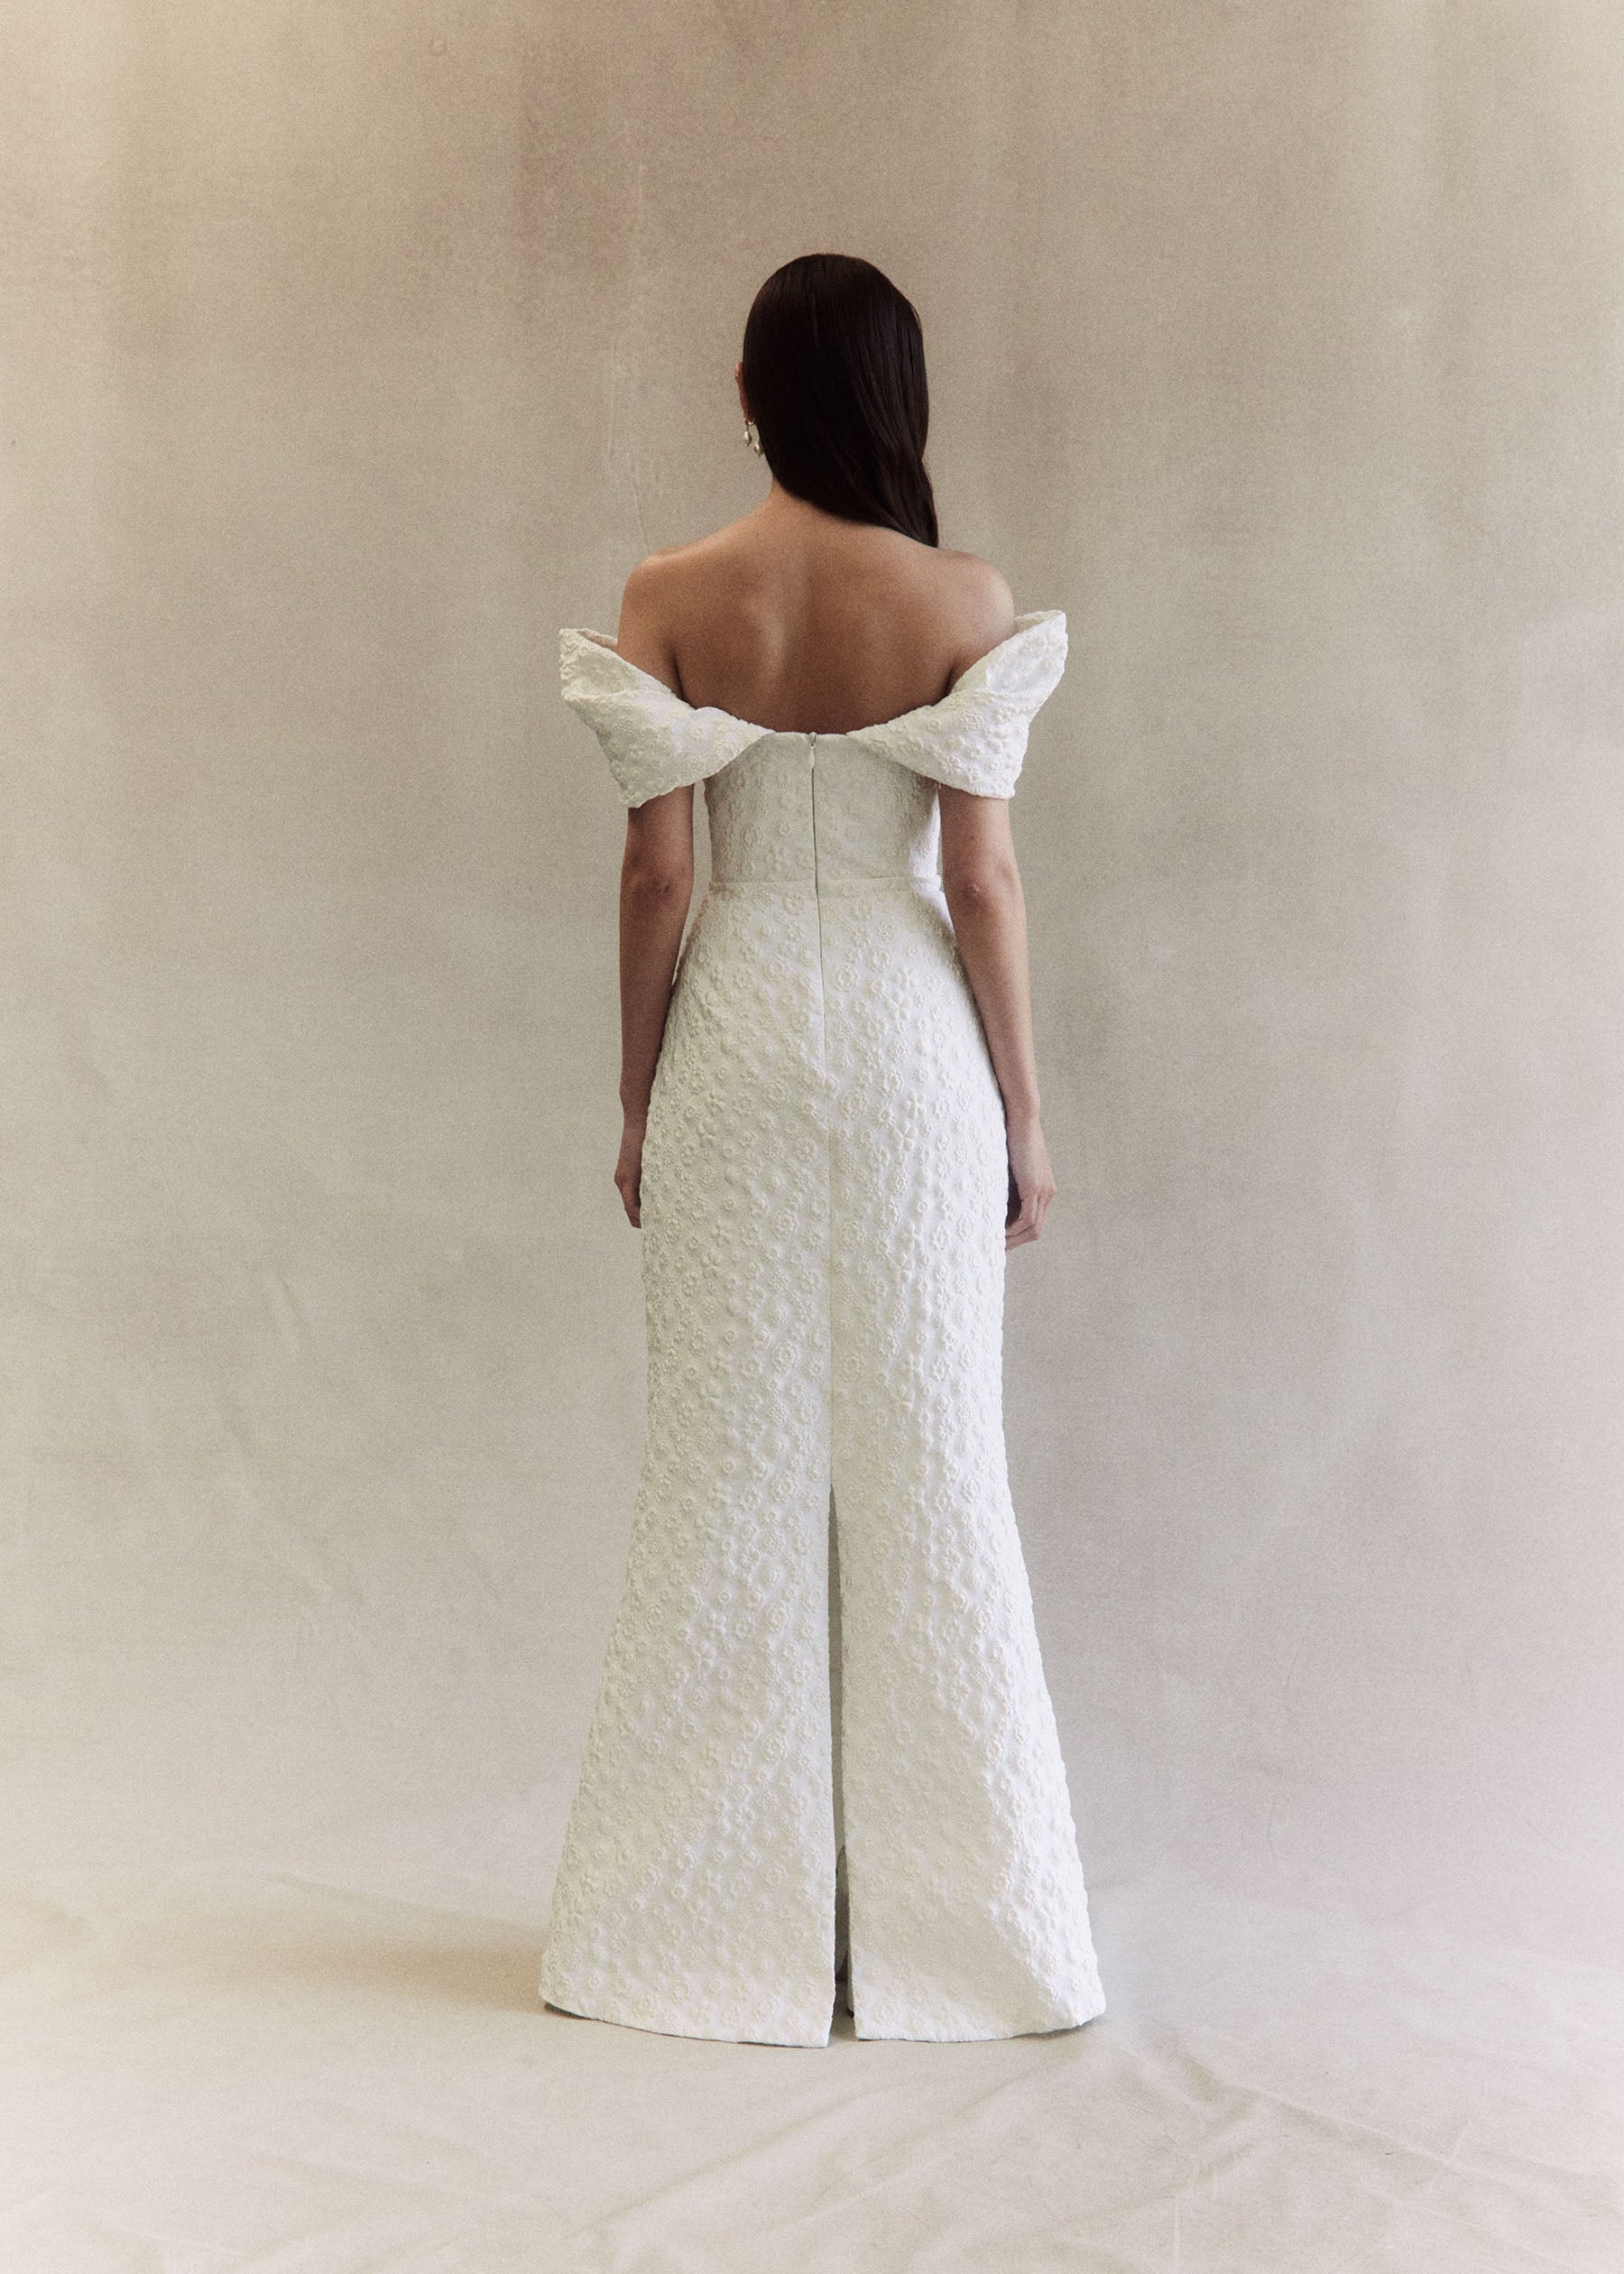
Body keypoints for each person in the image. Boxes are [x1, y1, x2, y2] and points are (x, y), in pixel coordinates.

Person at [540, 253, 1105, 2047]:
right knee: (937, 1462)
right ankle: (972, 1948)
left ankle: (685, 1939)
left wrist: (637, 1093)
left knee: (723, 1470)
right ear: (896, 396)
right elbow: (983, 881)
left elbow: (659, 872)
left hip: (737, 1037)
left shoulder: (670, 591)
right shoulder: (959, 595)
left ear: (752, 391)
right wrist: (1025, 1113)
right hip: (911, 1034)